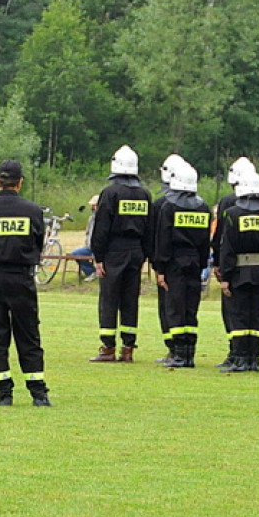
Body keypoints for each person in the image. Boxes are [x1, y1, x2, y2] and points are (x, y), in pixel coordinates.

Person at [0, 159, 51, 407]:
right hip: (22, 277)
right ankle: (38, 393)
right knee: (28, 334)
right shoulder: (33, 211)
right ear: (20, 183)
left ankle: (3, 392)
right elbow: (38, 243)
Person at [88, 145, 153, 363]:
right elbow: (149, 228)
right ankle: (128, 348)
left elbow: (101, 227)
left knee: (109, 298)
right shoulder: (144, 194)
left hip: (114, 251)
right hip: (136, 251)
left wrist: (98, 257)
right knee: (130, 299)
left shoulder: (110, 193)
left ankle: (108, 348)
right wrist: (144, 254)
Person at [216, 171, 259, 372]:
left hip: (239, 271)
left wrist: (225, 276)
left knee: (239, 316)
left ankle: (240, 358)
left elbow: (227, 248)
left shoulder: (233, 214)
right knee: (256, 317)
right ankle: (254, 358)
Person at [154, 162, 211, 368]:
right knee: (191, 308)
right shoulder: (203, 207)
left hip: (174, 262)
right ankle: (189, 353)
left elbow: (163, 240)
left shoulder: (169, 207)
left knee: (175, 307)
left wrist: (160, 268)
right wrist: (202, 264)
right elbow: (205, 240)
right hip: (195, 262)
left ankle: (178, 354)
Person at [211, 156, 256, 369]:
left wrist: (218, 263)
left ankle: (235, 353)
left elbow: (221, 236)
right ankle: (252, 355)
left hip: (234, 265)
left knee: (233, 311)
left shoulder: (228, 202)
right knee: (254, 313)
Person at [153, 154, 187, 359]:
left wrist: (158, 265)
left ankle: (173, 348)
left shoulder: (162, 204)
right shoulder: (197, 204)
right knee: (187, 307)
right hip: (191, 264)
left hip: (168, 264)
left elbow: (155, 237)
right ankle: (185, 349)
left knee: (168, 307)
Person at [69, 195, 98, 279]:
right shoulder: (91, 218)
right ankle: (91, 272)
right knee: (76, 253)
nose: (92, 207)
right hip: (90, 247)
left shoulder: (106, 218)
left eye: (94, 205)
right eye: (92, 205)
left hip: (101, 248)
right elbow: (88, 232)